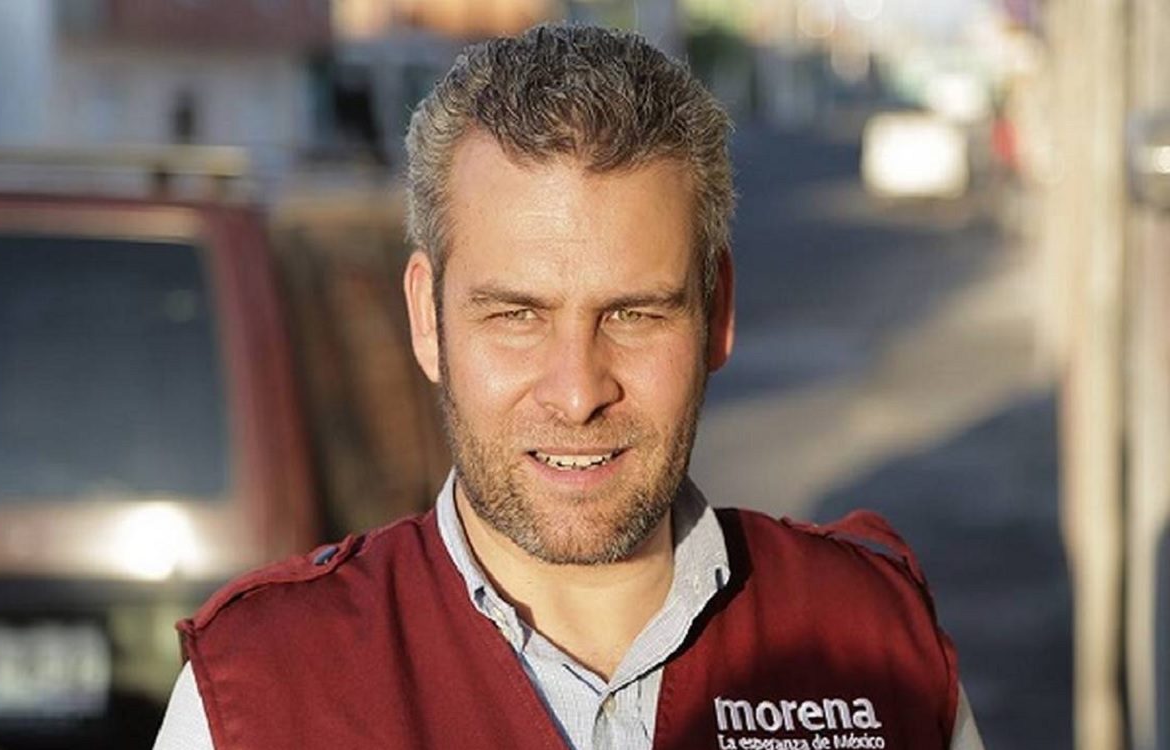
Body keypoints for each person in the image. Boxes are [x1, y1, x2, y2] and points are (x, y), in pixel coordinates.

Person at [154, 24, 984, 750]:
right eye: (517, 315)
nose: (578, 391)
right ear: (426, 318)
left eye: (633, 314)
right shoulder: (261, 693)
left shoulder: (878, 647)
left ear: (717, 314)